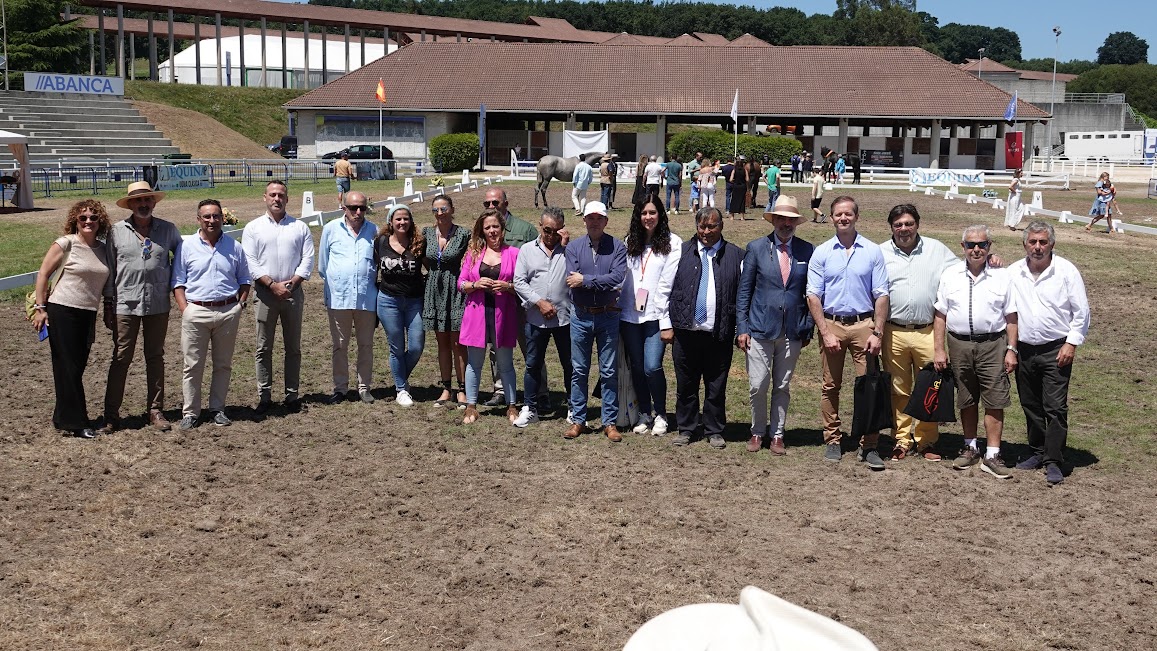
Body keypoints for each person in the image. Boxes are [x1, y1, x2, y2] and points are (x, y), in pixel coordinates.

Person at [806, 196, 890, 469]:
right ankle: (832, 438)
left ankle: (870, 444)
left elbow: (881, 295)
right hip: (831, 324)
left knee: (869, 386)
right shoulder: (822, 252)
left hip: (864, 325)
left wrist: (877, 332)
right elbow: (813, 296)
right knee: (831, 385)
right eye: (838, 214)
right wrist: (825, 331)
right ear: (831, 218)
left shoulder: (872, 251)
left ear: (856, 216)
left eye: (848, 214)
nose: (843, 218)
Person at [933, 225, 1019, 479]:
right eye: (971, 245)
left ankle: (992, 453)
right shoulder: (950, 275)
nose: (977, 249)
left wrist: (1011, 349)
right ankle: (970, 446)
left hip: (993, 344)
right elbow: (940, 314)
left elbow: (1011, 316)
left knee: (994, 399)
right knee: (967, 397)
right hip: (959, 343)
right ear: (963, 248)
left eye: (982, 244)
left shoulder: (1002, 276)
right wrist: (939, 349)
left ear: (989, 246)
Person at [1008, 221, 1090, 485]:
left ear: (1052, 244)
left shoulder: (1066, 271)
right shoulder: (1013, 272)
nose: (1038, 247)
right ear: (1024, 244)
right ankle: (1037, 450)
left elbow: (1081, 312)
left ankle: (1054, 459)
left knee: (1054, 407)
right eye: (1033, 242)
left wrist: (1072, 343)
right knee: (1030, 404)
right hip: (1024, 349)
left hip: (1056, 349)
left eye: (1043, 242)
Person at [100, 181, 182, 435]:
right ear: (130, 204)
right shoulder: (116, 232)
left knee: (155, 357)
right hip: (125, 304)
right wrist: (109, 303)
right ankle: (111, 415)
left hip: (158, 304)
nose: (143, 204)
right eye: (138, 201)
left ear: (154, 203)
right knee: (121, 358)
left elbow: (181, 263)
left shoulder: (168, 231)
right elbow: (110, 270)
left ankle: (155, 410)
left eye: (147, 200)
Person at [880, 204, 958, 461]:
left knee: (930, 388)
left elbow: (962, 269)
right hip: (894, 332)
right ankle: (901, 439)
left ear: (917, 224)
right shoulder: (880, 253)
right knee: (898, 388)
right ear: (891, 227)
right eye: (898, 225)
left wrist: (990, 260)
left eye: (909, 224)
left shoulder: (937, 250)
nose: (904, 229)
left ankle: (927, 440)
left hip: (927, 331)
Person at [736, 196, 813, 455]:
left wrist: (808, 325)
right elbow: (744, 291)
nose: (786, 224)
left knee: (782, 385)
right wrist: (742, 328)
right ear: (773, 220)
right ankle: (757, 431)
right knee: (758, 384)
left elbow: (813, 293)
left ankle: (777, 434)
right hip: (759, 327)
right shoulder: (756, 248)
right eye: (781, 218)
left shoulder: (807, 250)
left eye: (791, 220)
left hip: (792, 331)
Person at [31, 199, 111, 439]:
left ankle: (62, 416)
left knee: (76, 367)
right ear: (75, 220)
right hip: (62, 310)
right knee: (67, 366)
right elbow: (43, 273)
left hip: (88, 312)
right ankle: (77, 423)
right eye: (83, 218)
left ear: (100, 222)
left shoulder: (104, 249)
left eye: (93, 218)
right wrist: (40, 307)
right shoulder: (65, 243)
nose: (88, 221)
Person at [172, 199, 251, 430]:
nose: (211, 220)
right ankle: (190, 412)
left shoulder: (234, 247)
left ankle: (217, 408)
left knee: (223, 364)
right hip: (196, 311)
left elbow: (245, 280)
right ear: (198, 219)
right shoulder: (186, 247)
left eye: (216, 216)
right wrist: (185, 310)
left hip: (228, 311)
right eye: (206, 216)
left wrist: (240, 306)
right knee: (192, 365)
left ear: (222, 219)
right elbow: (178, 281)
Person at [669, 207, 744, 448]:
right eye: (702, 226)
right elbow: (666, 289)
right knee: (686, 384)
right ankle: (687, 427)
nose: (706, 231)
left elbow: (743, 295)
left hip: (719, 332)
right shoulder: (681, 253)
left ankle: (714, 429)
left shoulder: (736, 256)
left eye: (712, 226)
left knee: (716, 385)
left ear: (721, 227)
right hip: (685, 331)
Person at [242, 180, 315, 414]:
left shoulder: (299, 227)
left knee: (293, 347)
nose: (277, 199)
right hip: (265, 294)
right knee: (264, 347)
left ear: (287, 198)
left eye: (281, 195)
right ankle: (264, 395)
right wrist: (272, 285)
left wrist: (292, 284)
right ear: (265, 197)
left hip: (293, 294)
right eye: (272, 194)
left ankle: (292, 394)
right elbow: (250, 261)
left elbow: (307, 259)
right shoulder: (253, 228)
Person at [564, 200, 628, 442]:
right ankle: (578, 419)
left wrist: (587, 280)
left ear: (606, 221)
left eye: (598, 218)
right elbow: (572, 280)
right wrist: (597, 280)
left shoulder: (618, 247)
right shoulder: (573, 248)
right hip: (580, 314)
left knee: (609, 370)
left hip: (607, 313)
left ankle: (609, 422)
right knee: (579, 369)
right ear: (584, 220)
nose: (594, 222)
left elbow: (617, 277)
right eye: (590, 218)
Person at [619, 197, 682, 436]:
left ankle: (661, 414)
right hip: (630, 315)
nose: (648, 217)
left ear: (661, 215)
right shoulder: (629, 242)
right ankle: (644, 412)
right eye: (644, 213)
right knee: (636, 366)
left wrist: (666, 322)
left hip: (657, 316)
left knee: (652, 366)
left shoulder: (673, 242)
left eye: (653, 212)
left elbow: (667, 284)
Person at [512, 206, 573, 428]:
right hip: (536, 318)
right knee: (533, 364)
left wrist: (566, 248)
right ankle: (530, 407)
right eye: (547, 230)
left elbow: (575, 273)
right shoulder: (527, 250)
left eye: (556, 231)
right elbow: (519, 281)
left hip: (564, 318)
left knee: (570, 364)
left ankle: (574, 406)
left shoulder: (570, 250)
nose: (551, 235)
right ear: (540, 226)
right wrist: (539, 302)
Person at [458, 209, 521, 425]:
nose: (492, 231)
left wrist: (509, 286)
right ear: (482, 231)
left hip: (503, 315)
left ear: (502, 230)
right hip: (476, 314)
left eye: (495, 226)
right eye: (488, 228)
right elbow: (461, 283)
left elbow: (523, 285)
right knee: (474, 363)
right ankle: (471, 407)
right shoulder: (473, 254)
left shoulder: (514, 253)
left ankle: (512, 405)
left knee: (505, 363)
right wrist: (474, 284)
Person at [318, 191, 378, 406]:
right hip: (339, 297)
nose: (358, 212)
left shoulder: (374, 231)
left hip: (366, 298)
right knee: (339, 345)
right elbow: (323, 266)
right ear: (344, 208)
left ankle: (364, 387)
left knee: (366, 345)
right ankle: (340, 388)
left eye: (362, 208)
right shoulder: (331, 229)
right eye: (353, 208)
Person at [480, 187, 539, 407]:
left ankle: (539, 392)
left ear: (506, 202)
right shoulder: (483, 230)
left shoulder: (525, 230)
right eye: (487, 204)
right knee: (497, 348)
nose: (492, 207)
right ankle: (500, 389)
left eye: (496, 202)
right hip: (497, 303)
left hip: (522, 302)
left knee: (531, 346)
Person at [374, 204, 426, 406]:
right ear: (390, 222)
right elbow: (373, 266)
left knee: (416, 346)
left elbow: (429, 267)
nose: (402, 222)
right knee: (396, 347)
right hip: (388, 300)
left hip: (414, 301)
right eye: (398, 219)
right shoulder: (381, 242)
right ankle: (401, 389)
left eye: (406, 218)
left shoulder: (419, 243)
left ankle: (400, 378)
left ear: (411, 221)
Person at [423, 194, 471, 407]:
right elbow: (422, 257)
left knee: (458, 343)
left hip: (456, 289)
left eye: (443, 209)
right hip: (434, 289)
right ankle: (446, 388)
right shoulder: (426, 233)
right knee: (441, 342)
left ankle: (462, 389)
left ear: (452, 209)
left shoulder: (463, 234)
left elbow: (470, 259)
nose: (440, 213)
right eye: (436, 210)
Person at [728, 156, 748, 221]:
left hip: (736, 186)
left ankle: (732, 216)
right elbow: (747, 179)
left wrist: (734, 180)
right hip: (742, 186)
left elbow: (730, 179)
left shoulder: (734, 170)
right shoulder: (745, 170)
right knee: (742, 201)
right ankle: (742, 217)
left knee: (733, 200)